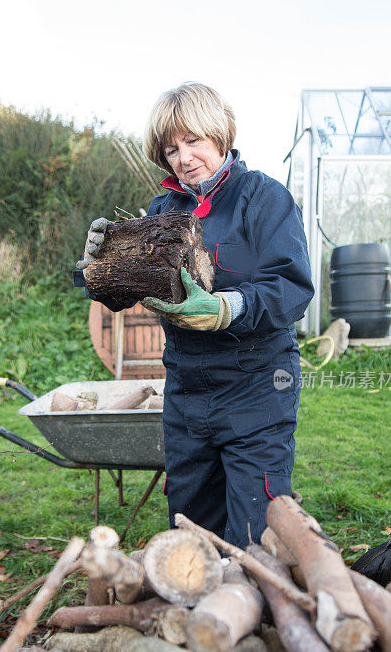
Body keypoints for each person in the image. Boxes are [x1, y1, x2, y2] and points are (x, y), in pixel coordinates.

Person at [76, 82, 314, 548]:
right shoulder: (164, 209)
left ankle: (257, 611)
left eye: (194, 141)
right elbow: (130, 290)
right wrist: (99, 266)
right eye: (171, 148)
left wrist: (229, 307)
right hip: (187, 393)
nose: (184, 158)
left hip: (256, 391)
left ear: (220, 135)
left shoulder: (263, 198)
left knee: (255, 532)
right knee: (191, 530)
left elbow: (292, 286)